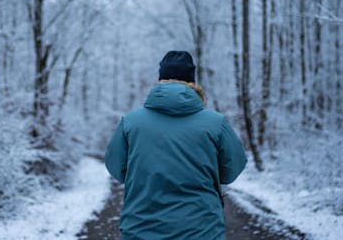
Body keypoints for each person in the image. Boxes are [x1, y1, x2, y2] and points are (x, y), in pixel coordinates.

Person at [104, 50, 247, 240]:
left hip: (141, 229)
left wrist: (143, 176)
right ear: (192, 82)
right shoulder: (216, 123)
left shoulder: (130, 122)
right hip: (202, 230)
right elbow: (231, 170)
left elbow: (116, 167)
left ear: (160, 79)